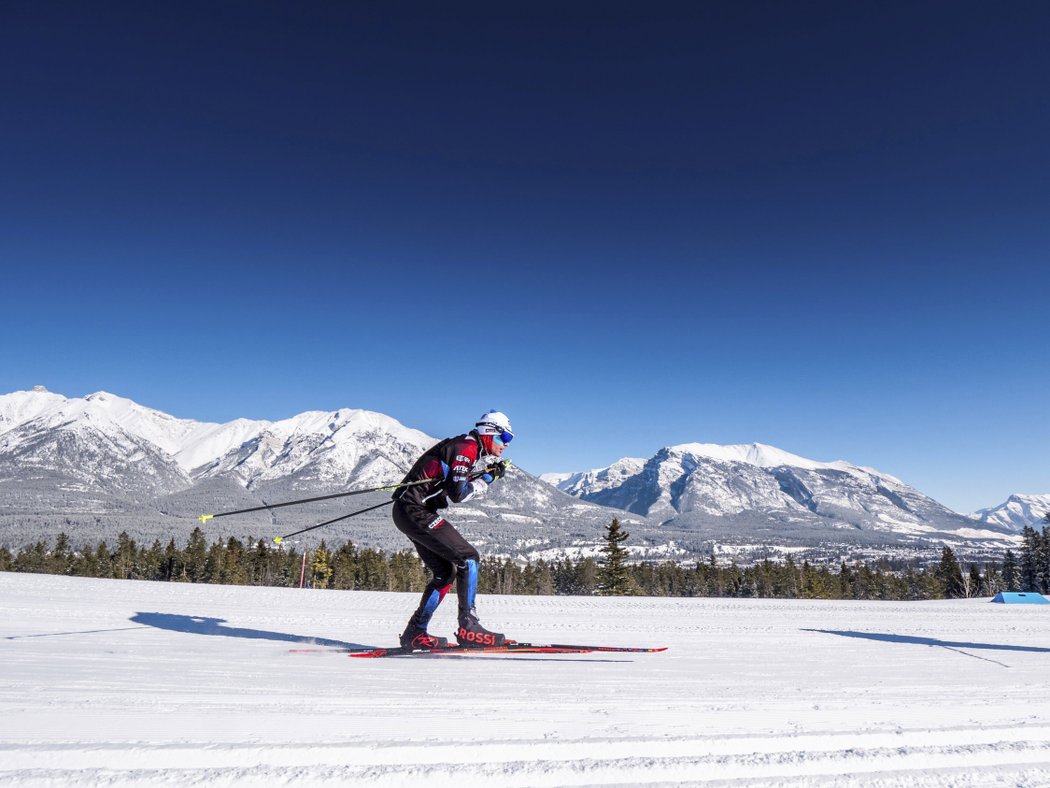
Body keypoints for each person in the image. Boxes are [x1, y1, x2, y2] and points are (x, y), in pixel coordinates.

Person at [392, 410, 513, 650]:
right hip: (414, 511)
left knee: (445, 572)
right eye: (505, 438)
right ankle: (469, 626)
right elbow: (458, 494)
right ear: (489, 432)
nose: (506, 445)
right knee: (468, 558)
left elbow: (449, 485)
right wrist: (486, 481)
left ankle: (415, 633)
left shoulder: (467, 447)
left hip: (409, 511)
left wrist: (484, 475)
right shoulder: (467, 448)